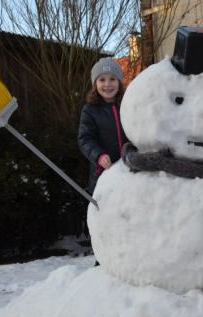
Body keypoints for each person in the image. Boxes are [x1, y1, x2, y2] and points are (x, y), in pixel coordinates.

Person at [78, 57, 129, 264]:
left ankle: (128, 255)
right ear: (95, 84)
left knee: (127, 212)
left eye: (112, 79)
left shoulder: (129, 105)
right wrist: (99, 155)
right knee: (105, 215)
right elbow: (85, 138)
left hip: (128, 170)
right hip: (103, 174)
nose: (107, 84)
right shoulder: (90, 110)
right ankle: (103, 260)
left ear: (119, 82)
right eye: (102, 80)